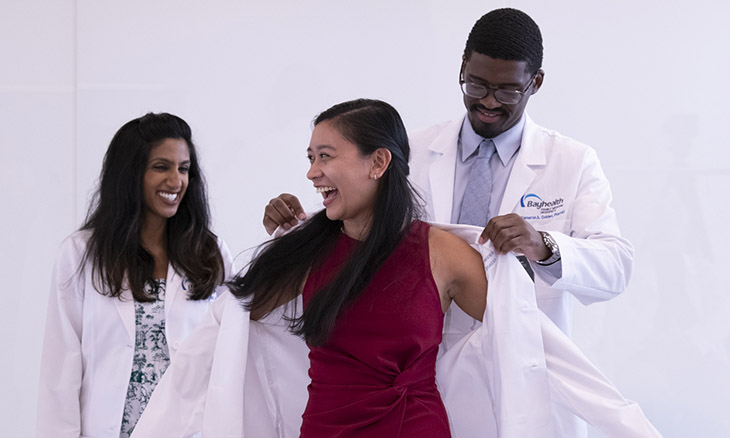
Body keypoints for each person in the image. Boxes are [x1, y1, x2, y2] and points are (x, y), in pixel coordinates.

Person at [262, 9, 632, 436]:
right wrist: (299, 223)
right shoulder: (412, 151)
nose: (489, 101)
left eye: (508, 90)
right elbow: (364, 230)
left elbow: (616, 267)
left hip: (520, 377)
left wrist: (543, 244)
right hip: (421, 387)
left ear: (536, 83)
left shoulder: (571, 162)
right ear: (461, 67)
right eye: (476, 84)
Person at [229, 98, 488, 437]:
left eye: (325, 156)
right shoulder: (309, 251)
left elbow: (516, 331)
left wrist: (540, 250)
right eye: (310, 158)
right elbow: (235, 320)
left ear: (378, 162)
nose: (312, 172)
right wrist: (281, 243)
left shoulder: (444, 254)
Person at [36, 112, 234, 438]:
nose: (176, 181)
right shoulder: (80, 254)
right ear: (130, 174)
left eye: (183, 169)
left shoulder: (210, 253)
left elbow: (233, 351)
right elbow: (60, 370)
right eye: (161, 167)